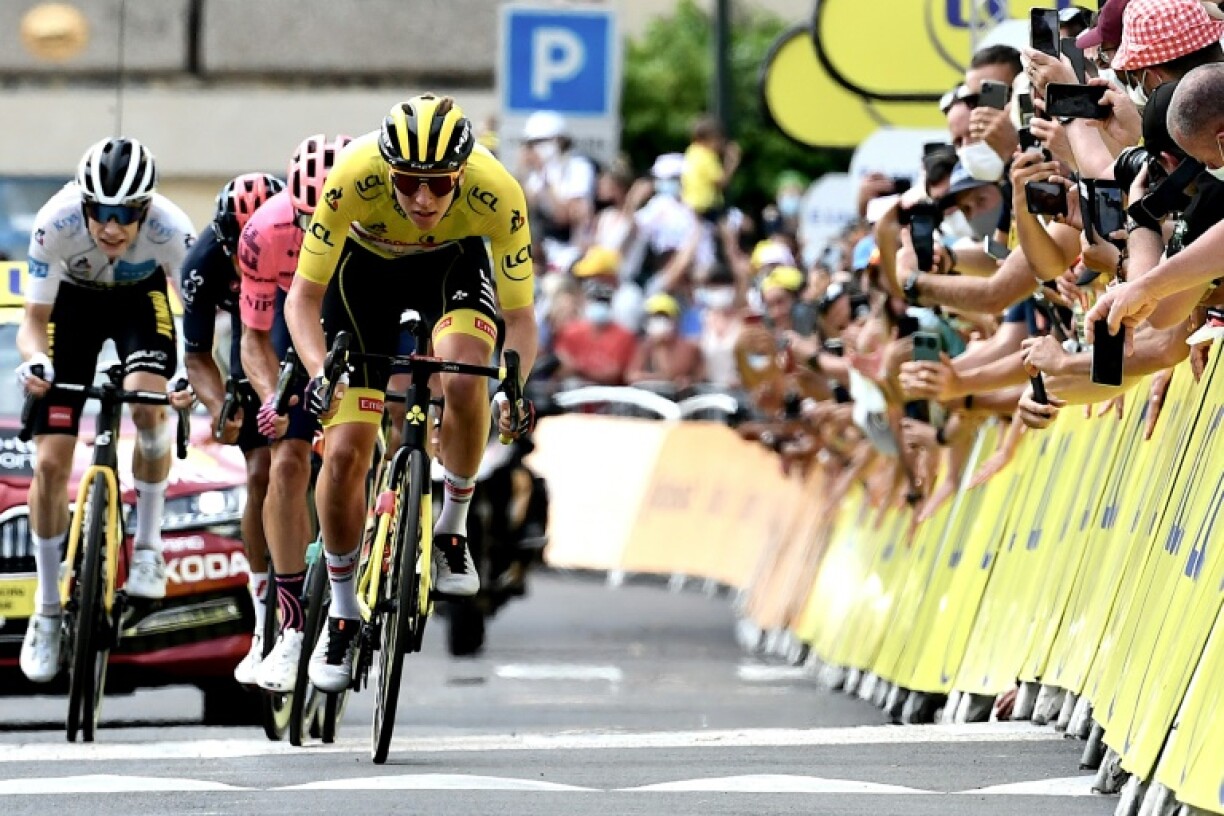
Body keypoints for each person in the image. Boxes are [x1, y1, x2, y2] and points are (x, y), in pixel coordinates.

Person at [284, 94, 539, 692]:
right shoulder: (352, 175)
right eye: (407, 182)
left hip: (452, 268)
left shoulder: (496, 191)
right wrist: (323, 370)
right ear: (387, 170)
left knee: (465, 367)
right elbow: (302, 298)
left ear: (462, 173)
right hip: (363, 278)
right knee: (345, 450)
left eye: (439, 184)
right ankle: (343, 612)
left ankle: (452, 524)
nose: (423, 199)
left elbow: (521, 319)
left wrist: (514, 388)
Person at [15, 138, 196, 682]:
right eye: (101, 213)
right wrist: (36, 362)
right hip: (71, 306)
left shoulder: (174, 229)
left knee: (148, 406)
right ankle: (47, 610)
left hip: (140, 303)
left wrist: (185, 374)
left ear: (146, 210)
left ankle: (147, 547)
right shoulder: (55, 224)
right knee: (49, 464)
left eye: (126, 216)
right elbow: (31, 322)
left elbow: (193, 319)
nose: (112, 228)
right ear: (83, 204)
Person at [237, 135, 353, 692]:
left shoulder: (392, 220)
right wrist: (268, 397)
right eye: (308, 219)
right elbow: (254, 339)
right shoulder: (264, 231)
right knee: (285, 462)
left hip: (363, 310)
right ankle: (289, 625)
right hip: (300, 315)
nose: (317, 232)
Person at [180, 171, 285, 685]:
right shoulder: (202, 264)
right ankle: (264, 594)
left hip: (297, 307)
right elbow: (198, 356)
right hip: (251, 332)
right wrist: (224, 406)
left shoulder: (297, 232)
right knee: (261, 466)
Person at [627, 293, 705, 389]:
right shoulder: (646, 346)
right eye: (654, 317)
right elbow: (632, 376)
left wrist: (661, 347)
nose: (659, 321)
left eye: (664, 317)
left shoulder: (687, 347)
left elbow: (671, 375)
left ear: (675, 320)